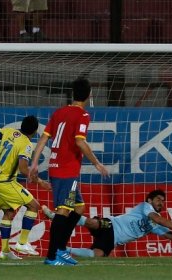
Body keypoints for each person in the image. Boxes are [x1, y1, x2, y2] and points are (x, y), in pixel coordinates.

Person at [29, 77, 109, 266]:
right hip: (66, 170)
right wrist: (97, 163)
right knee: (63, 211)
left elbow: (43, 139)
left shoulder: (59, 113)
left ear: (73, 94)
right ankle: (51, 256)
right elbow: (80, 142)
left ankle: (61, 250)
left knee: (79, 208)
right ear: (89, 95)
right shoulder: (83, 116)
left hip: (58, 167)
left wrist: (34, 163)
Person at [42, 189, 172, 257]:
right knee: (93, 223)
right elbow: (157, 218)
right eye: (158, 200)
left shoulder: (156, 227)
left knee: (98, 255)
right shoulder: (145, 207)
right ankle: (57, 216)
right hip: (112, 225)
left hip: (113, 240)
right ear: (150, 200)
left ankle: (62, 249)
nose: (161, 203)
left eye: (163, 201)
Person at [0, 115, 50, 260]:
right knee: (34, 206)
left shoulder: (9, 131)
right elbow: (23, 169)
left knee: (9, 213)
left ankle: (5, 251)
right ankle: (22, 243)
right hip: (5, 182)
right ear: (35, 131)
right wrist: (41, 182)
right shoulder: (26, 144)